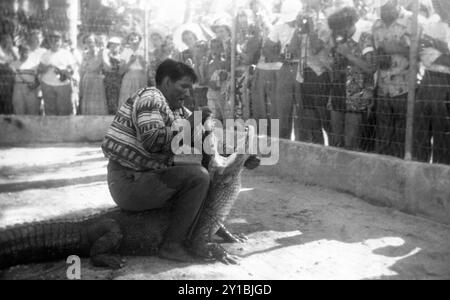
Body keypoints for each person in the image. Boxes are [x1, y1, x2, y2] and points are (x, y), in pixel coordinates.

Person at [102, 59, 210, 262]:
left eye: (190, 88)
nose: (187, 93)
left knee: (201, 162)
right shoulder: (151, 97)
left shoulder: (177, 110)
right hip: (128, 182)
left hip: (147, 178)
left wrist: (243, 156)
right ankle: (171, 245)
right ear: (167, 82)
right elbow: (152, 141)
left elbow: (205, 144)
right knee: (198, 176)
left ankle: (189, 235)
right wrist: (193, 122)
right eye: (184, 86)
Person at [328, 6, 377, 150]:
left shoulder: (365, 38)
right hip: (337, 93)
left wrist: (348, 55)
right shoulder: (337, 39)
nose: (337, 32)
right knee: (335, 142)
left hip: (357, 96)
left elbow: (371, 67)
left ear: (350, 24)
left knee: (351, 143)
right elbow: (333, 65)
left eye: (340, 28)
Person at [372, 0, 416, 158]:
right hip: (383, 87)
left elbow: (420, 53)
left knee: (401, 137)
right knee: (383, 135)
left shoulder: (412, 21)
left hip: (404, 88)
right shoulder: (376, 25)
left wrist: (399, 48)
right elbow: (375, 51)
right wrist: (380, 56)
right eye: (381, 8)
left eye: (387, 7)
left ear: (396, 3)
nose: (383, 11)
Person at [413, 4, 450, 164]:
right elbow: (425, 56)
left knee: (445, 137)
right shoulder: (431, 26)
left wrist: (439, 46)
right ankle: (420, 173)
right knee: (422, 131)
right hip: (431, 80)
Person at [296, 0, 333, 145]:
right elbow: (294, 48)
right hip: (305, 74)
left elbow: (316, 48)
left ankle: (334, 149)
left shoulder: (325, 23)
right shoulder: (305, 21)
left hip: (320, 74)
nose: (306, 3)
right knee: (311, 118)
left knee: (325, 117)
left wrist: (311, 26)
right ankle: (318, 149)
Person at [268, 0, 304, 140]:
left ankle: (302, 143)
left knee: (302, 110)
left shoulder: (309, 26)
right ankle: (283, 142)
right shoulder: (278, 27)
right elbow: (267, 48)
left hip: (304, 68)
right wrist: (279, 58)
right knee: (283, 109)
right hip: (285, 68)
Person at [38, 31, 77, 116]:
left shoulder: (66, 53)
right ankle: (52, 129)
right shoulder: (45, 54)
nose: (55, 43)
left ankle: (64, 129)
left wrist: (65, 70)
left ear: (61, 42)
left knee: (64, 110)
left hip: (63, 85)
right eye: (52, 40)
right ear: (49, 42)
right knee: (50, 110)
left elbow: (73, 69)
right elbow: (40, 69)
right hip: (47, 85)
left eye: (57, 40)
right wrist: (47, 67)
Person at [79, 34, 108, 115]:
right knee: (87, 103)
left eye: (92, 42)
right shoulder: (84, 54)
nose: (90, 44)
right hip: (87, 80)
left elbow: (107, 68)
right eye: (87, 42)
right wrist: (80, 86)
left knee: (97, 103)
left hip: (97, 80)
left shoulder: (101, 53)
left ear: (96, 42)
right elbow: (82, 70)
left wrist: (102, 56)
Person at [10, 44, 41, 115]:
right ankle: (20, 125)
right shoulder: (13, 64)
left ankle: (31, 126)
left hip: (31, 88)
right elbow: (10, 80)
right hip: (18, 88)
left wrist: (34, 86)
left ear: (29, 52)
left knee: (32, 111)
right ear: (19, 51)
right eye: (22, 50)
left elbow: (39, 79)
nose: (24, 52)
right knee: (19, 110)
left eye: (26, 50)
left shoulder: (34, 64)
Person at [118, 32, 147, 107]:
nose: (134, 41)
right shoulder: (125, 52)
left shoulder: (144, 52)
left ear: (139, 40)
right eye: (131, 39)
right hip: (129, 79)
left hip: (141, 78)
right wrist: (130, 62)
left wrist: (142, 63)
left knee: (140, 102)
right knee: (128, 101)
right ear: (128, 41)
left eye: (135, 39)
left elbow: (147, 71)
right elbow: (121, 71)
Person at [103, 37, 124, 115]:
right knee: (109, 100)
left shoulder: (122, 56)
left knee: (118, 100)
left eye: (116, 45)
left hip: (119, 81)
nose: (114, 47)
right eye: (112, 45)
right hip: (108, 81)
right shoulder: (106, 55)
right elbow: (107, 68)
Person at [0, 33, 18, 114]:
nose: (8, 41)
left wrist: (11, 49)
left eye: (10, 40)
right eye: (5, 40)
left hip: (11, 77)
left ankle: (9, 116)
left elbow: (17, 60)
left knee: (10, 98)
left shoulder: (14, 49)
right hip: (1, 76)